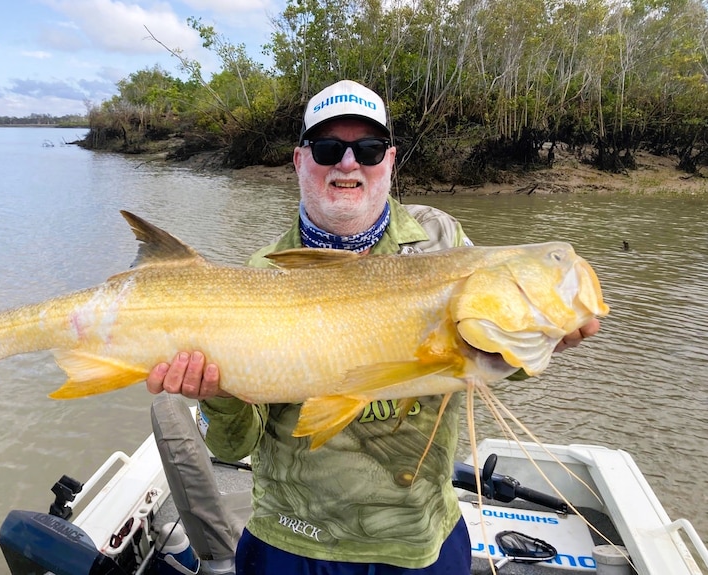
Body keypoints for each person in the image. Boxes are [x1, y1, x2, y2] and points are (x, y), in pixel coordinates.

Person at [146, 80, 601, 574]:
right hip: (294, 540)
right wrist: (217, 393)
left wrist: (536, 344)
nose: (348, 163)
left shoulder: (441, 239)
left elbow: (480, 359)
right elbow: (233, 447)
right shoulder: (264, 272)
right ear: (300, 160)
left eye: (368, 148)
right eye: (327, 148)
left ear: (390, 160)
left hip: (420, 537)